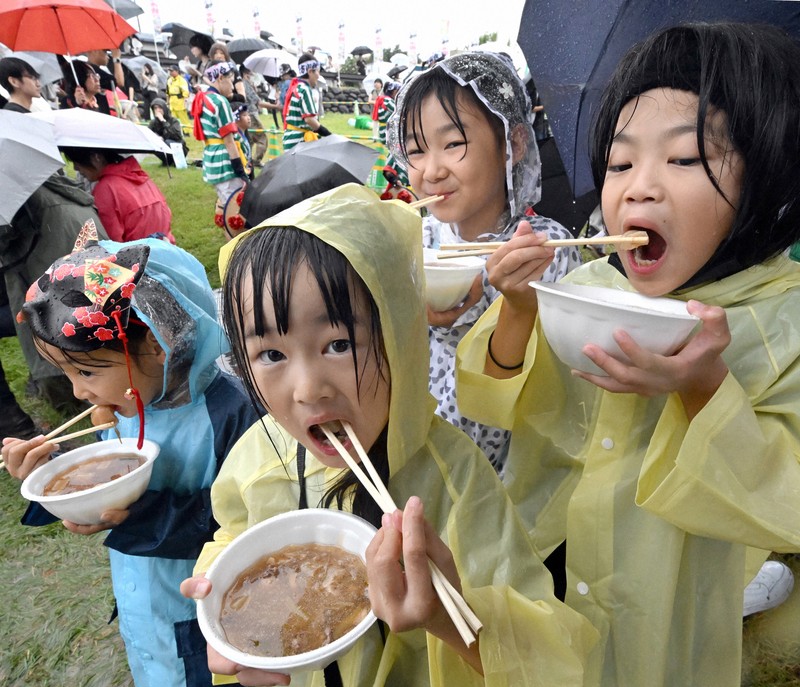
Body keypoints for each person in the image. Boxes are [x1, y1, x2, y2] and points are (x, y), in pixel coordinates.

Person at [455, 22, 800, 687]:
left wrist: (704, 388)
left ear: (766, 168)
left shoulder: (785, 318)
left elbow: (785, 498)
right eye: (619, 163)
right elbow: (498, 396)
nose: (638, 189)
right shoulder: (586, 289)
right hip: (551, 575)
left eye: (685, 159)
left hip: (686, 616)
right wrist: (522, 308)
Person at [180, 183, 597, 686]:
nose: (308, 390)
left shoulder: (455, 478)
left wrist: (446, 619)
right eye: (271, 355)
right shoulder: (260, 453)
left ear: (398, 335)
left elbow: (544, 664)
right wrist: (220, 589)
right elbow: (234, 531)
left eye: (337, 344)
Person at [2, 228, 260, 687]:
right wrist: (48, 470)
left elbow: (248, 522)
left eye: (85, 370)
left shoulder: (233, 413)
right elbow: (110, 468)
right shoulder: (126, 402)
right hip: (143, 598)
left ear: (161, 345)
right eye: (66, 371)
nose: (79, 392)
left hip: (203, 609)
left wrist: (134, 516)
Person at [386, 52, 581, 471]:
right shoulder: (416, 240)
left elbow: (565, 381)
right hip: (427, 450)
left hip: (518, 465)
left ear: (512, 144)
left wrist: (515, 308)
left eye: (453, 143)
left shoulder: (547, 250)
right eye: (416, 150)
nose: (431, 171)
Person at [2, 173, 108, 416]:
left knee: (62, 330)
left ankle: (77, 401)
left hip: (59, 261)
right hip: (81, 255)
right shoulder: (38, 178)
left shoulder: (13, 197)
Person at [60, 147, 175, 245]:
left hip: (139, 263)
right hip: (165, 253)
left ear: (96, 158)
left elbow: (110, 244)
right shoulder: (142, 178)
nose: (75, 168)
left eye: (77, 161)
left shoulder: (106, 189)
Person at [190, 61, 250, 230]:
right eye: (231, 80)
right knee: (236, 209)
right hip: (225, 161)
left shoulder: (202, 99)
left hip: (212, 159)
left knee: (225, 205)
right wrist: (240, 169)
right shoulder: (219, 102)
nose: (233, 85)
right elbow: (229, 140)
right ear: (221, 78)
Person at [281, 53, 332, 152]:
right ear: (310, 71)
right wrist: (327, 134)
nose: (319, 75)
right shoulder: (305, 90)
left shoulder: (296, 87)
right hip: (299, 141)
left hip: (291, 139)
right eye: (317, 71)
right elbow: (309, 119)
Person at [240, 65, 276, 167]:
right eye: (249, 73)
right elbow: (258, 102)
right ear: (245, 73)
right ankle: (256, 161)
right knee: (262, 138)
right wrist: (276, 107)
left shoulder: (243, 84)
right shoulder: (245, 84)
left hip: (246, 114)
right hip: (251, 114)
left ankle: (247, 160)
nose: (251, 75)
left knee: (250, 139)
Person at [148, 97, 189, 164]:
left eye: (160, 108)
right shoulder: (153, 122)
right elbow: (147, 134)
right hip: (163, 148)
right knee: (153, 143)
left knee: (167, 141)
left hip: (178, 147)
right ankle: (167, 161)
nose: (158, 110)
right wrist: (156, 137)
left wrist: (163, 121)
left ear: (164, 108)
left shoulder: (173, 120)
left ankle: (176, 161)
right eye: (155, 108)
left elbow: (176, 136)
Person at [233, 104, 254, 180]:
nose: (249, 118)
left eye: (248, 115)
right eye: (244, 115)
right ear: (236, 119)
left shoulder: (242, 136)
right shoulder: (236, 138)